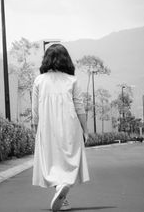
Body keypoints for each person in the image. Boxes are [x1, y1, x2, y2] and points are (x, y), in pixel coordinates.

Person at [32, 44, 90, 212]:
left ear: (46, 60)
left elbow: (35, 111)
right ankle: (63, 190)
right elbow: (79, 107)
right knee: (68, 159)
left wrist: (36, 130)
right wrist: (85, 130)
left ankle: (59, 188)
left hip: (46, 127)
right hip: (70, 126)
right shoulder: (72, 80)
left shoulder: (39, 80)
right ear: (66, 60)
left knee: (51, 161)